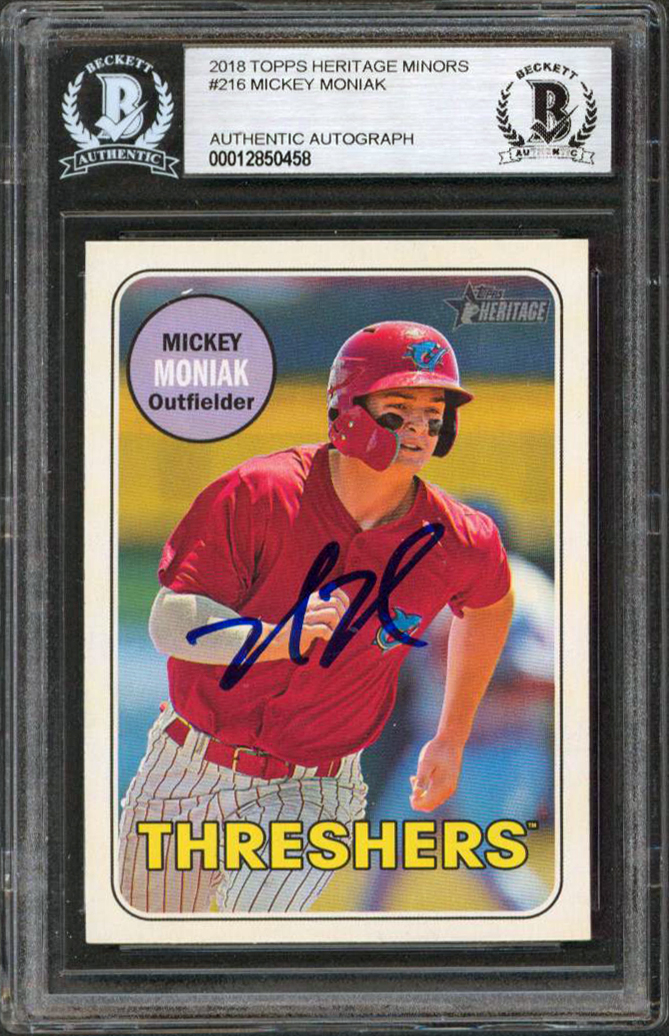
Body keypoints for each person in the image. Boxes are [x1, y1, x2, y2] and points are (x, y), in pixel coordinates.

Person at [118, 320, 514, 914]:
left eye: (434, 412)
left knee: (252, 936)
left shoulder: (460, 538)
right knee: (156, 954)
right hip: (186, 763)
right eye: (398, 408)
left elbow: (489, 609)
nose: (419, 427)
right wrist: (274, 639)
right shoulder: (261, 491)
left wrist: (450, 738)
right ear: (347, 409)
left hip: (314, 788)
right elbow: (171, 621)